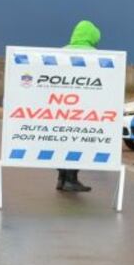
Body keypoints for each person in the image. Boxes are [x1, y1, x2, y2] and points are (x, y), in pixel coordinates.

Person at [56, 20, 102, 193]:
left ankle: (61, 178)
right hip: (84, 110)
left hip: (60, 108)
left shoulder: (61, 53)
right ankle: (71, 178)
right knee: (78, 143)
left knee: (61, 143)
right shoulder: (96, 56)